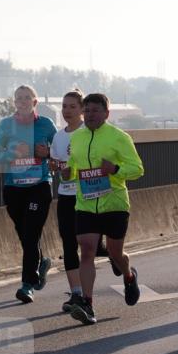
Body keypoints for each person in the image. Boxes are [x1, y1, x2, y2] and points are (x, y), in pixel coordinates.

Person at [63, 93, 145, 324]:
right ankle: (87, 303)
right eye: (86, 110)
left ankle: (129, 276)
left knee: (115, 252)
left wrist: (116, 169)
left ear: (106, 114)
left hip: (114, 202)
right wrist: (67, 172)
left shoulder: (119, 137)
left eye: (95, 110)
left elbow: (138, 169)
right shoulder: (76, 137)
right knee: (87, 250)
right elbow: (74, 164)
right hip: (86, 203)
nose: (90, 115)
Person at [0, 85, 56, 304]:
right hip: (14, 187)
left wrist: (47, 153)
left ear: (35, 102)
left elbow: (61, 153)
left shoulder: (46, 124)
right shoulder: (5, 125)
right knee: (25, 234)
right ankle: (40, 263)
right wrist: (12, 152)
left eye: (27, 97)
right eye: (19, 98)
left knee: (30, 233)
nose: (23, 101)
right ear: (14, 102)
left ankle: (27, 285)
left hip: (39, 186)